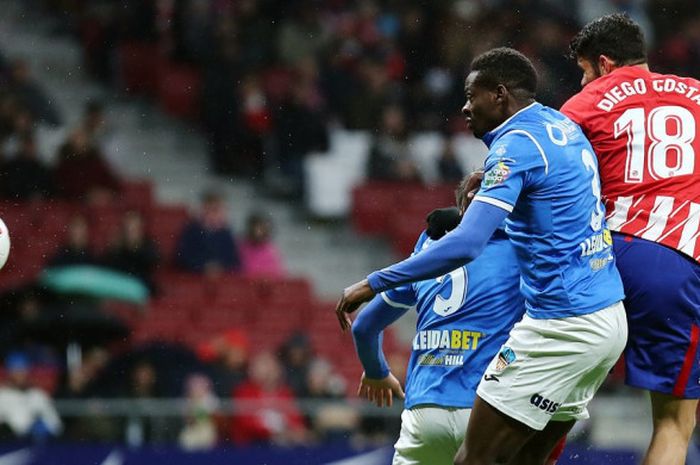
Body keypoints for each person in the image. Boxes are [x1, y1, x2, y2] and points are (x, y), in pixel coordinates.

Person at [336, 47, 627, 465]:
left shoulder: (516, 145)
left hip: (562, 324)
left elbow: (468, 243)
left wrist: (373, 281)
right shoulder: (561, 124)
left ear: (500, 94)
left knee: (473, 461)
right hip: (607, 318)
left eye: (472, 96)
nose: (465, 106)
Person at [560, 13, 700, 465]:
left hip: (599, 256)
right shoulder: (696, 94)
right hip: (675, 259)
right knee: (674, 424)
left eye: (583, 71)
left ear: (603, 64)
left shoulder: (590, 99)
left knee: (544, 407)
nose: (582, 81)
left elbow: (550, 167)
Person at [175, 191, 242, 275]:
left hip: (220, 280)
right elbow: (182, 258)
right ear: (203, 210)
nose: (215, 214)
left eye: (219, 210)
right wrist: (204, 267)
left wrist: (220, 267)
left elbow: (234, 260)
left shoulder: (226, 234)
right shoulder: (192, 230)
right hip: (195, 278)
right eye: (212, 210)